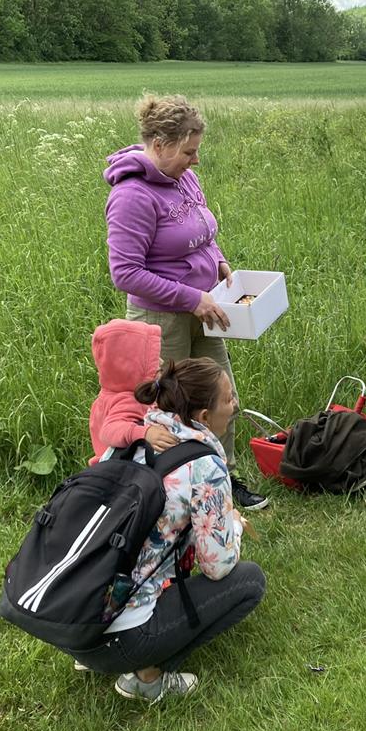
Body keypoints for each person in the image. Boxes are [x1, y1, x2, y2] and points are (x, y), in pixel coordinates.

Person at [68, 356, 267, 703]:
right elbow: (217, 566)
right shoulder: (205, 467)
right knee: (250, 581)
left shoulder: (132, 441)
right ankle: (146, 677)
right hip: (121, 640)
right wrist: (233, 527)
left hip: (72, 618)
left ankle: (104, 652)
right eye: (229, 398)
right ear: (204, 416)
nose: (235, 404)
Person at [104, 93, 268, 510]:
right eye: (188, 152)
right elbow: (125, 273)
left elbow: (203, 232)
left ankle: (223, 477)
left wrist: (219, 261)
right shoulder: (132, 196)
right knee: (170, 409)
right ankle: (173, 489)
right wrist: (191, 298)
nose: (195, 160)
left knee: (221, 396)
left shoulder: (185, 178)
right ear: (160, 145)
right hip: (161, 319)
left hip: (205, 308)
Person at [87, 319, 176, 465]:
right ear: (128, 367)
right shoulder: (128, 399)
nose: (160, 362)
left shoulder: (113, 390)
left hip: (113, 465)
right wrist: (144, 433)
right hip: (121, 470)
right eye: (150, 360)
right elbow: (108, 431)